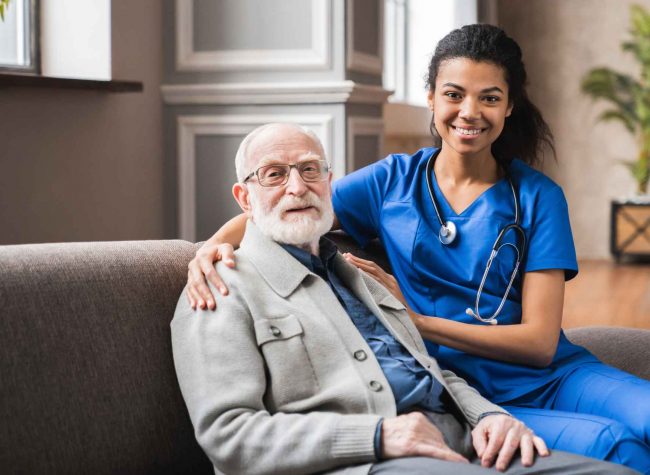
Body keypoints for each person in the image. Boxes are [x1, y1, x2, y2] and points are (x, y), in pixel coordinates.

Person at [184, 25, 650, 474]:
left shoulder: (537, 196)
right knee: (617, 445)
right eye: (453, 94)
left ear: (509, 107)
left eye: (489, 97)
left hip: (555, 377)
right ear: (431, 98)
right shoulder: (390, 181)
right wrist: (209, 250)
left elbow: (540, 344)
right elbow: (289, 203)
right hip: (471, 397)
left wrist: (414, 320)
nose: (469, 112)